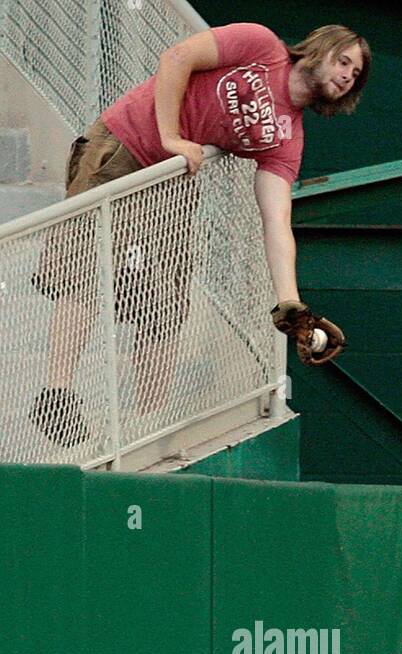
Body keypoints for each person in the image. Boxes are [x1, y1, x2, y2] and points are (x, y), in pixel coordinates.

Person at [29, 21, 371, 448]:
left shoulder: (287, 138)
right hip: (126, 145)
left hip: (173, 181)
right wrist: (171, 136)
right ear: (318, 49)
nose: (346, 76)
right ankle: (56, 395)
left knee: (166, 299)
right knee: (83, 269)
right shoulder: (261, 45)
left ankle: (145, 430)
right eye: (343, 62)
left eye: (355, 75)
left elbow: (276, 220)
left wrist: (290, 303)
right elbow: (177, 57)